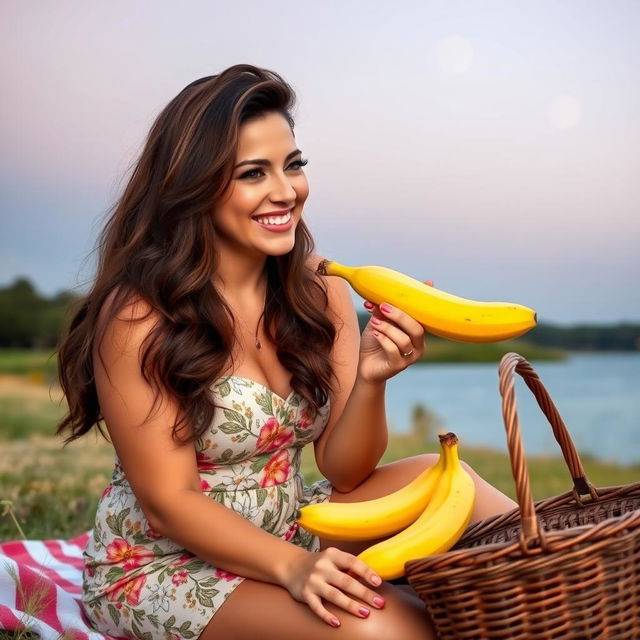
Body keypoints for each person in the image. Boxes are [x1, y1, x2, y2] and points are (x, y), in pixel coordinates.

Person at [55, 63, 518, 640]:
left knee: (460, 485)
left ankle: (565, 595)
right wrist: (297, 569)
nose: (286, 191)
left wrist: (373, 377)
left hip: (291, 524)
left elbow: (345, 472)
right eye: (253, 173)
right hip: (166, 563)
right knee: (391, 628)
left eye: (293, 165)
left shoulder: (321, 292)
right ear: (195, 186)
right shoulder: (139, 318)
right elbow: (168, 504)